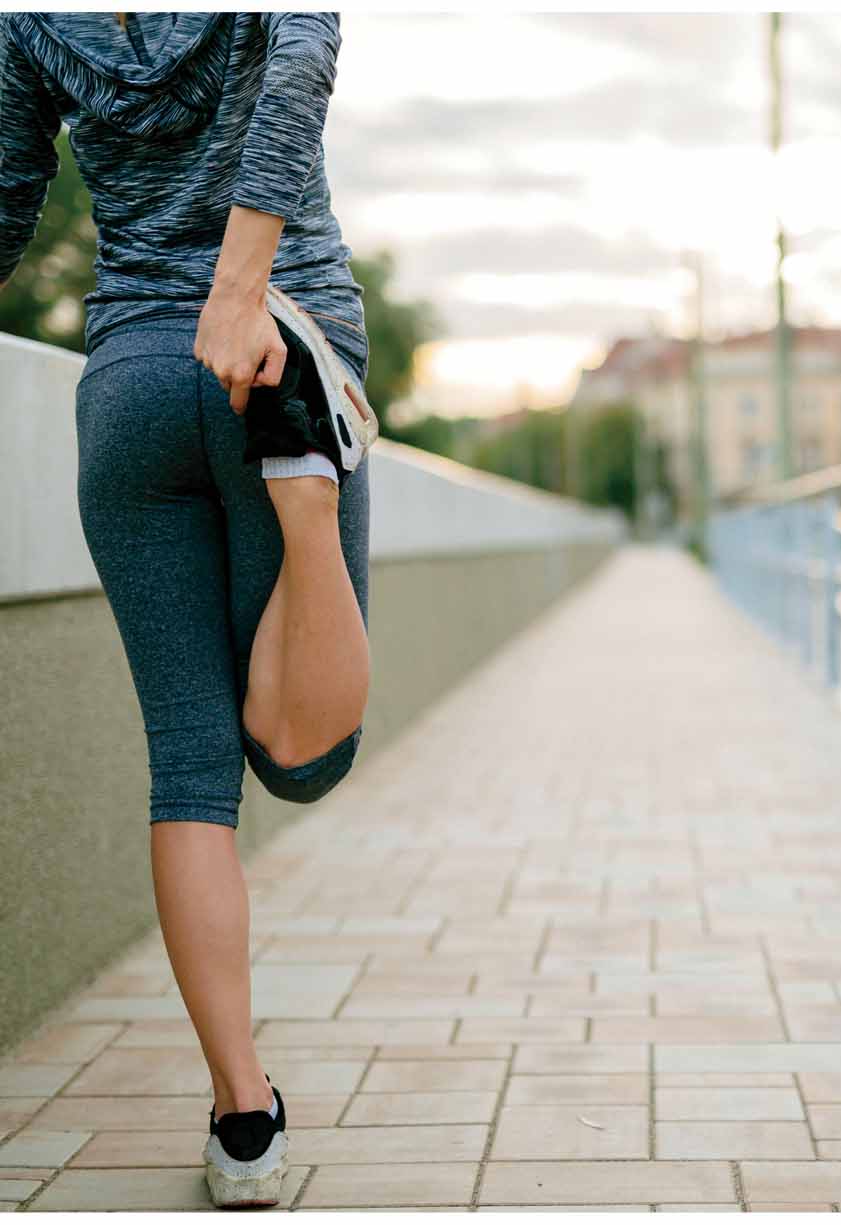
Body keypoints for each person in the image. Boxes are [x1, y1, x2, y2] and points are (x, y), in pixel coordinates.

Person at [1, 12, 375, 1208]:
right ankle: (304, 494)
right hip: (284, 339)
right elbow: (298, 77)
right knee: (308, 756)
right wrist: (241, 285)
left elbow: (12, 199)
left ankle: (243, 1116)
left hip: (129, 388)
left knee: (190, 770)